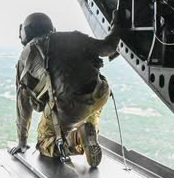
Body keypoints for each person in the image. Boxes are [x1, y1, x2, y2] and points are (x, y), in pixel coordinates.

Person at [10, 11, 122, 167]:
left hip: (70, 105)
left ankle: (79, 138)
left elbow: (23, 104)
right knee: (89, 114)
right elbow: (108, 48)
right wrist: (118, 24)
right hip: (100, 93)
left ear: (26, 32)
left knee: (44, 142)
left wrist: (22, 142)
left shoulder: (26, 56)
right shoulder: (73, 37)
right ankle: (89, 130)